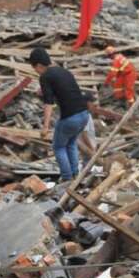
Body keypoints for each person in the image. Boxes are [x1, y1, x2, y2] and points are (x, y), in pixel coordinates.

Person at [25, 48, 90, 183]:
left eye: (34, 68)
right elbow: (66, 90)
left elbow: (48, 103)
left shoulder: (45, 76)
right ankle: (75, 174)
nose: (36, 71)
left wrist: (45, 127)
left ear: (38, 65)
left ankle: (66, 178)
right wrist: (44, 90)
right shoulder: (63, 71)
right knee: (70, 143)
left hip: (70, 117)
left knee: (58, 147)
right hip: (84, 114)